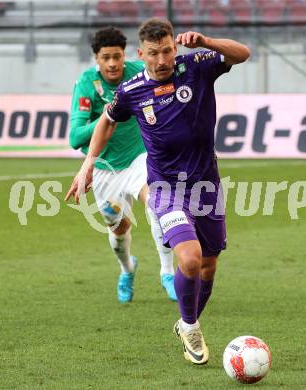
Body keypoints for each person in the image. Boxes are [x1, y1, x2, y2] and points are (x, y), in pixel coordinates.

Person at [66, 19, 250, 364]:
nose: (162, 60)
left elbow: (243, 54)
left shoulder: (196, 66)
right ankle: (192, 326)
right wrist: (88, 162)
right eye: (153, 53)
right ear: (142, 54)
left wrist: (207, 41)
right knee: (190, 258)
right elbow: (107, 120)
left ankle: (184, 321)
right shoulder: (132, 90)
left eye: (167, 50)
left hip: (206, 183)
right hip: (164, 185)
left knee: (209, 265)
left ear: (174, 48)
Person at [68, 26, 177, 303]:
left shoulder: (140, 73)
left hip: (140, 157)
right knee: (118, 228)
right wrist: (109, 114)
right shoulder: (85, 85)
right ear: (96, 59)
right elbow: (76, 137)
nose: (113, 63)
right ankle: (127, 268)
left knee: (157, 204)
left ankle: (167, 273)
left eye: (117, 56)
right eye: (106, 58)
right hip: (105, 167)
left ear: (125, 55)